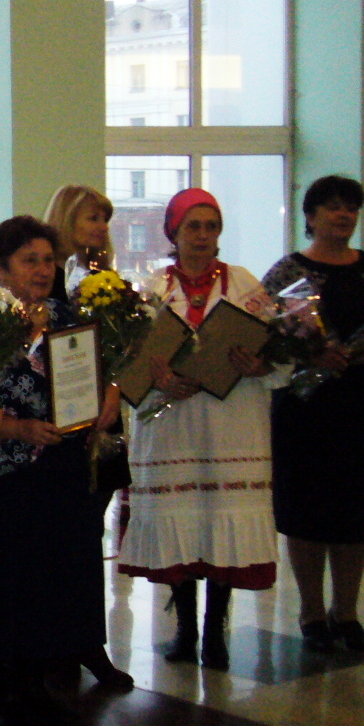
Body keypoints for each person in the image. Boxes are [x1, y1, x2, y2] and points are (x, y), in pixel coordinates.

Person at [0, 216, 107, 726]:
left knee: (52, 584)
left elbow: (97, 376)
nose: (42, 270)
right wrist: (18, 428)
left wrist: (105, 400)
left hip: (61, 469)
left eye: (48, 260)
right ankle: (6, 695)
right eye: (29, 260)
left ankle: (38, 689)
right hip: (1, 476)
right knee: (8, 587)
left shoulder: (67, 318)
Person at [116, 189, 282, 670]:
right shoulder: (150, 290)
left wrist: (259, 364)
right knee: (183, 524)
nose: (203, 236)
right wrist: (159, 378)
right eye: (193, 226)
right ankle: (185, 630)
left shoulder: (244, 284)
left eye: (212, 226)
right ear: (173, 232)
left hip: (233, 423)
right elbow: (127, 366)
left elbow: (279, 350)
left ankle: (215, 633)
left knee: (222, 522)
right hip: (172, 423)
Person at [261, 175, 364, 653]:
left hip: (358, 405)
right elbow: (266, 335)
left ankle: (347, 612)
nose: (343, 215)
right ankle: (311, 612)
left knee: (354, 514)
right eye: (332, 207)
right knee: (307, 512)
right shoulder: (287, 272)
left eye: (351, 208)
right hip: (304, 407)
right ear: (310, 215)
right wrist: (313, 354)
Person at [43, 185, 133, 691]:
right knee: (62, 537)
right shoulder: (50, 275)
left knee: (87, 536)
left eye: (105, 218)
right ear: (66, 219)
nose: (100, 226)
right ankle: (58, 641)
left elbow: (121, 345)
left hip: (101, 415)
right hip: (60, 419)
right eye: (91, 217)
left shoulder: (103, 276)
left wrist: (114, 391)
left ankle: (87, 641)